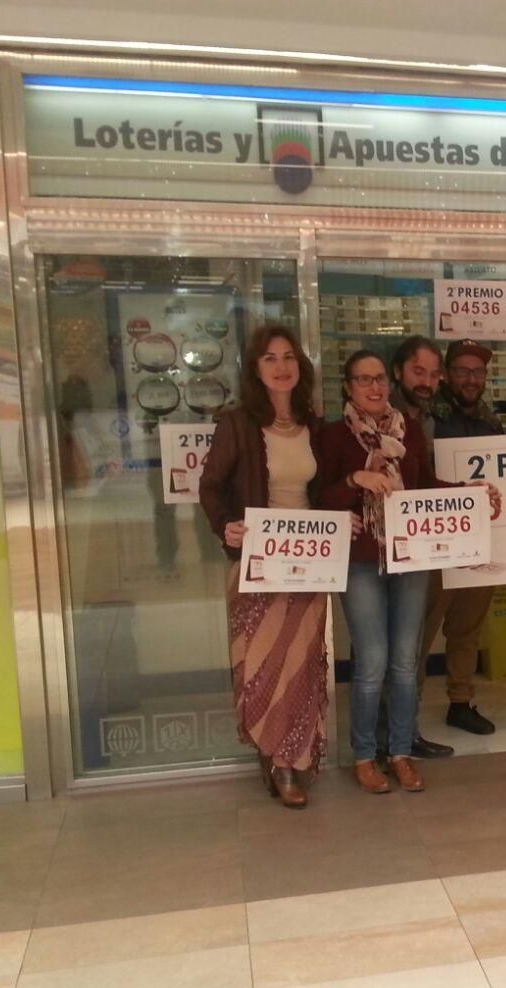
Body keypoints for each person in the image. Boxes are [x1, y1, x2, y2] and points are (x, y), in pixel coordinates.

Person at [199, 324, 344, 809]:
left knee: (301, 665)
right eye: (269, 358)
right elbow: (211, 488)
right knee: (261, 663)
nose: (281, 366)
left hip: (309, 561)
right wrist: (226, 527)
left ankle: (294, 757)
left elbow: (324, 490)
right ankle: (273, 753)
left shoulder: (315, 426)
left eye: (288, 357)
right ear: (255, 370)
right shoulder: (238, 425)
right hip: (258, 563)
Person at [317, 350, 457, 795]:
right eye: (363, 380)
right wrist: (356, 480)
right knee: (372, 661)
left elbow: (424, 487)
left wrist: (468, 495)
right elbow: (318, 499)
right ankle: (363, 755)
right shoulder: (334, 436)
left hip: (409, 556)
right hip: (360, 561)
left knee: (404, 661)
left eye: (379, 379)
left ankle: (399, 752)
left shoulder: (407, 429)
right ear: (348, 387)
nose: (374, 388)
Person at [416, 339, 504, 738]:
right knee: (419, 630)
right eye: (463, 371)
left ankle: (461, 702)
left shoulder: (492, 423)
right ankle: (406, 710)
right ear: (448, 375)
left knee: (468, 628)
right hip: (434, 544)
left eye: (478, 372)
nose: (471, 379)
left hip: (478, 540)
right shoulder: (425, 419)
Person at [382, 334, 452, 760]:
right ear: (397, 372)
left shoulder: (426, 420)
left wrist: (471, 493)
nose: (426, 381)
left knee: (409, 648)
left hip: (418, 546)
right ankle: (381, 741)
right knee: (382, 652)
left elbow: (424, 484)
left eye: (432, 373)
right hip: (378, 553)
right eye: (417, 372)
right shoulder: (377, 416)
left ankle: (403, 736)